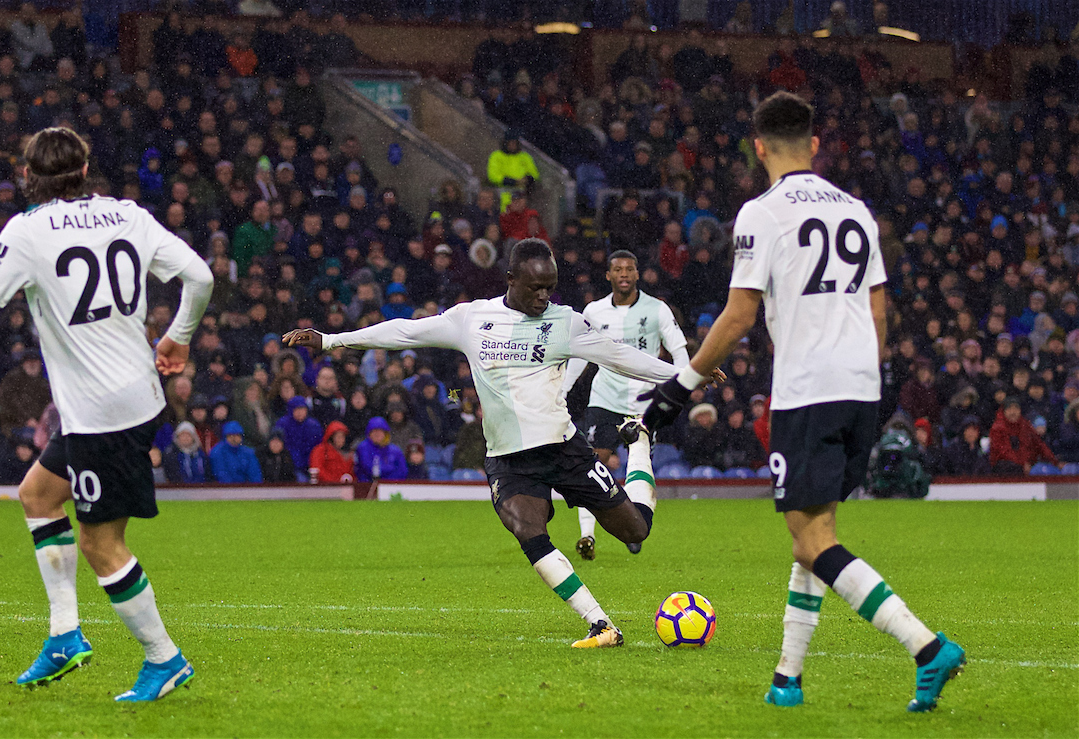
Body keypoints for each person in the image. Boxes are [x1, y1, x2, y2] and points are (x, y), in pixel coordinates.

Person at [639, 93, 965, 711]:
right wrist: (863, 375)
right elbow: (877, 310)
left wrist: (680, 386)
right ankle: (787, 680)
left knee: (812, 540)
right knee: (814, 532)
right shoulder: (858, 213)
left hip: (808, 388)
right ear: (815, 145)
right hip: (860, 385)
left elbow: (739, 314)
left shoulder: (761, 214)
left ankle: (926, 647)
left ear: (757, 147)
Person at [285, 238, 683, 649]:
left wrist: (686, 375)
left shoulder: (566, 322)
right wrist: (332, 340)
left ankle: (639, 444)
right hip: (509, 461)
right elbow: (406, 331)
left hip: (564, 450)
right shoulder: (472, 318)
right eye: (535, 287)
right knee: (527, 530)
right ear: (511, 279)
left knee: (636, 529)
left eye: (550, 286)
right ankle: (600, 624)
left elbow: (620, 356)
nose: (544, 296)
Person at [0, 127, 213, 702]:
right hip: (129, 397)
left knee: (102, 545)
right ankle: (64, 635)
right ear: (85, 169)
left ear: (28, 175)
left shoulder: (24, 231)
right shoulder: (127, 214)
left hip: (103, 415)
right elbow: (200, 276)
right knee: (39, 496)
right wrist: (179, 337)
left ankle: (164, 658)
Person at [563, 249, 691, 560]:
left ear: (637, 275)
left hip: (644, 403)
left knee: (638, 463)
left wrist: (683, 386)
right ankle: (587, 535)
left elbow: (679, 349)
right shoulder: (593, 311)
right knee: (592, 462)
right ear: (607, 275)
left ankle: (633, 525)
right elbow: (580, 354)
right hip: (604, 399)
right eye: (617, 269)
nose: (623, 274)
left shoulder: (657, 309)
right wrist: (562, 389)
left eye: (629, 269)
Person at [354, 417, 408, 482]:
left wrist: (386, 482)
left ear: (385, 434)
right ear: (369, 433)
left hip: (390, 487)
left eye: (380, 431)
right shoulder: (362, 448)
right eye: (374, 431)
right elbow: (363, 469)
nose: (377, 434)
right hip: (367, 486)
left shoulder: (395, 451)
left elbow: (402, 471)